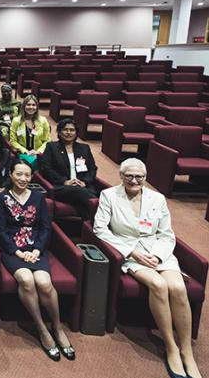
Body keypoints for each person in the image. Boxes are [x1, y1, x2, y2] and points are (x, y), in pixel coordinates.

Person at [93, 158, 201, 378]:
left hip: (158, 252)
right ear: (121, 176)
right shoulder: (109, 196)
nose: (134, 180)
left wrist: (157, 255)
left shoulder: (157, 198)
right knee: (159, 285)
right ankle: (171, 347)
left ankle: (186, 350)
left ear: (145, 177)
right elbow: (100, 230)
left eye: (139, 177)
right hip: (130, 253)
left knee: (178, 288)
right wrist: (132, 252)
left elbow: (167, 234)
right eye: (129, 176)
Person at [0, 159, 75, 363]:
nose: (23, 179)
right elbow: (1, 230)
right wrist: (18, 252)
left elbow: (46, 227)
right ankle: (41, 328)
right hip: (12, 250)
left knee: (44, 283)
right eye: (19, 174)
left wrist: (37, 249)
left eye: (27, 175)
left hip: (36, 249)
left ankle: (57, 327)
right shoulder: (2, 198)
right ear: (11, 175)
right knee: (26, 280)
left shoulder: (38, 197)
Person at [40, 119, 98, 220]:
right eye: (65, 129)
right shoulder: (51, 147)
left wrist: (85, 182)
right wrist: (64, 181)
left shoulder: (84, 148)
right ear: (59, 132)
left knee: (83, 204)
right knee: (80, 193)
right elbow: (46, 169)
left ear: (76, 133)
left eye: (72, 130)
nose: (68, 132)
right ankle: (99, 206)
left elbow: (92, 169)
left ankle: (89, 230)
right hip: (61, 187)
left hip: (83, 186)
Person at [9, 95, 50, 169]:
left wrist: (38, 151)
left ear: (37, 107)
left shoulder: (43, 121)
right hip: (23, 153)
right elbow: (13, 141)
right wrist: (25, 151)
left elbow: (47, 140)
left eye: (34, 105)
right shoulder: (16, 121)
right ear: (24, 106)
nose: (31, 107)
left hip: (39, 153)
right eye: (28, 104)